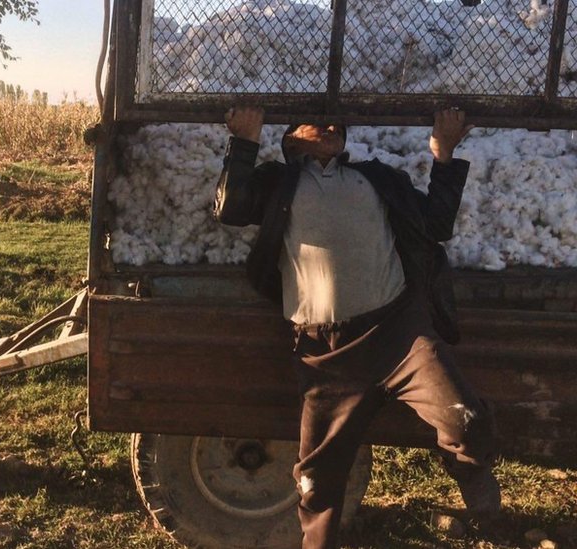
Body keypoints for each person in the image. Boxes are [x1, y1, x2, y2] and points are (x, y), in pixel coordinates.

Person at [214, 107, 500, 549]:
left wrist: (443, 154)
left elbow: (436, 224)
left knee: (467, 418)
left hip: (399, 334)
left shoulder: (379, 178)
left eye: (337, 123)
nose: (331, 126)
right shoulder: (277, 183)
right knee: (316, 483)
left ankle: (470, 467)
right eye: (316, 119)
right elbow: (231, 209)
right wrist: (246, 140)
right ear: (291, 139)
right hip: (325, 353)